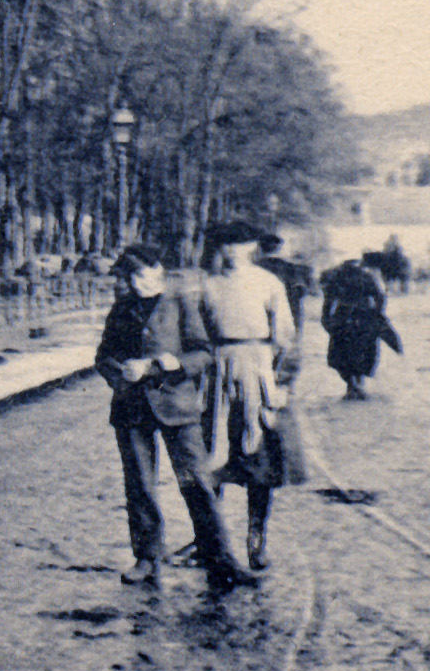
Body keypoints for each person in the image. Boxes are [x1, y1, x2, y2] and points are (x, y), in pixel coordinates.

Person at [94, 245, 261, 592]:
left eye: (140, 275)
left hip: (177, 404)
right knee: (140, 484)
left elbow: (203, 353)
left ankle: (221, 559)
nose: (134, 284)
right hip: (132, 407)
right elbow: (103, 356)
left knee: (197, 482)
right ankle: (147, 557)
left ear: (158, 271)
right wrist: (120, 372)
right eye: (128, 277)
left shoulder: (180, 303)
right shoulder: (121, 308)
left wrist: (177, 365)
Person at [199, 220, 308, 571]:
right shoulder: (208, 286)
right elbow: (195, 336)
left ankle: (256, 537)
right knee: (211, 455)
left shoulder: (267, 283)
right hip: (218, 373)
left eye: (240, 244)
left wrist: (280, 383)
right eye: (225, 245)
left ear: (251, 247)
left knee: (258, 460)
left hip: (258, 372)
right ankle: (210, 540)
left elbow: (287, 339)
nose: (231, 251)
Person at [320, 255, 403, 399]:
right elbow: (380, 297)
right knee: (362, 352)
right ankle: (357, 385)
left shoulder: (337, 277)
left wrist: (327, 319)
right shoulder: (367, 276)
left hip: (344, 318)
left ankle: (353, 386)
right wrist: (377, 313)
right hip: (364, 317)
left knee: (343, 354)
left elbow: (328, 301)